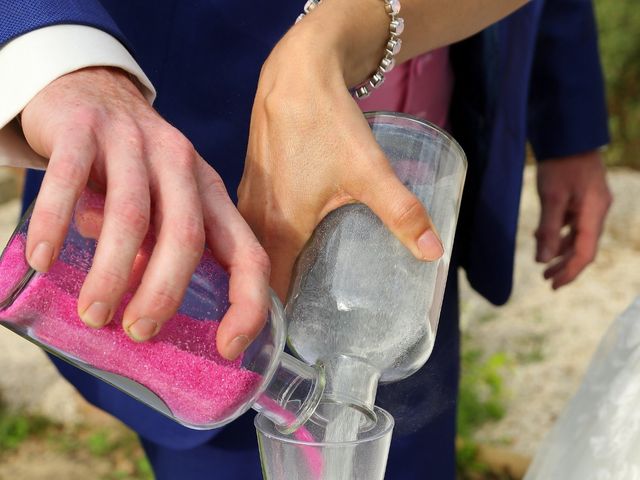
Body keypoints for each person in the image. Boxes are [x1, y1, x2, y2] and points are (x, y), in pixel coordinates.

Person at [0, 0, 611, 478]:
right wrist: (62, 61)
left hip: (407, 229)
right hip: (199, 239)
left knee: (407, 441)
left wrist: (569, 121)